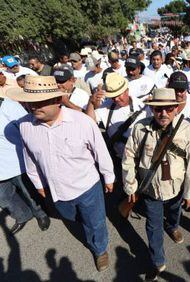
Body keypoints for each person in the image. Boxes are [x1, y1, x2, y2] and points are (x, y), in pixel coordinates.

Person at [7, 75, 115, 271]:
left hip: (88, 187)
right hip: (57, 191)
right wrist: (39, 185)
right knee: (72, 217)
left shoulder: (82, 122)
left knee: (95, 222)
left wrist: (109, 177)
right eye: (29, 102)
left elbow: (101, 151)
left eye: (39, 102)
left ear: (57, 101)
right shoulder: (25, 126)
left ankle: (99, 249)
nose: (33, 107)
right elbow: (30, 158)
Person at [122, 88, 190, 281]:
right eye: (158, 109)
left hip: (176, 187)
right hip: (150, 190)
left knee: (174, 212)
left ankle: (172, 227)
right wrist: (130, 185)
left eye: (168, 108)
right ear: (152, 110)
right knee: (153, 226)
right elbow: (129, 158)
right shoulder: (140, 128)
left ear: (176, 108)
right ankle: (157, 262)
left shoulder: (187, 130)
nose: (163, 113)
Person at [0, 89, 50, 235]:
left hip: (17, 162)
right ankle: (23, 215)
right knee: (4, 197)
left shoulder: (8, 106)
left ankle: (41, 214)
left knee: (29, 193)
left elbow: (30, 128)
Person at [86, 72, 148, 163]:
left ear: (127, 91)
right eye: (113, 97)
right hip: (118, 160)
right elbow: (89, 124)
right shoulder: (106, 107)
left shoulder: (143, 107)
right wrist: (91, 103)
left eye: (119, 95)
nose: (116, 99)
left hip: (140, 160)